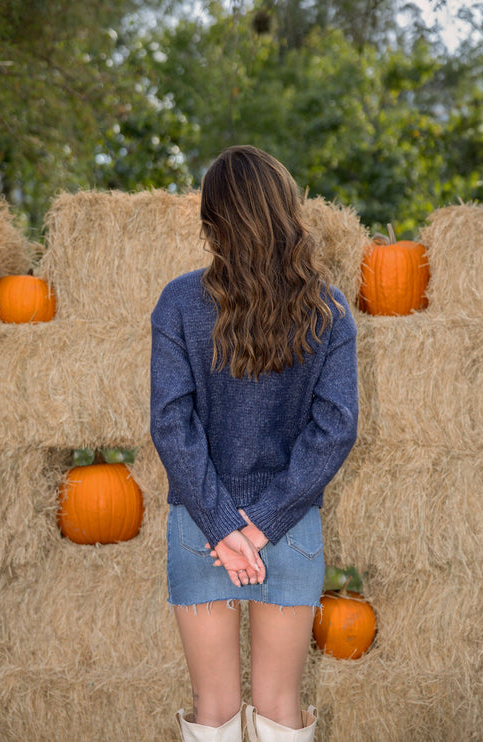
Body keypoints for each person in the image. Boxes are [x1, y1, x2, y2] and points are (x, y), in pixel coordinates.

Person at [150, 145, 358, 742]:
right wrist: (263, 526)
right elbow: (336, 428)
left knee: (213, 709)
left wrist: (223, 526)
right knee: (280, 708)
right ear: (286, 211)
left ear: (212, 220)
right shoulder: (328, 309)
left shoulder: (179, 302)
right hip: (289, 528)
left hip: (201, 527)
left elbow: (171, 423)